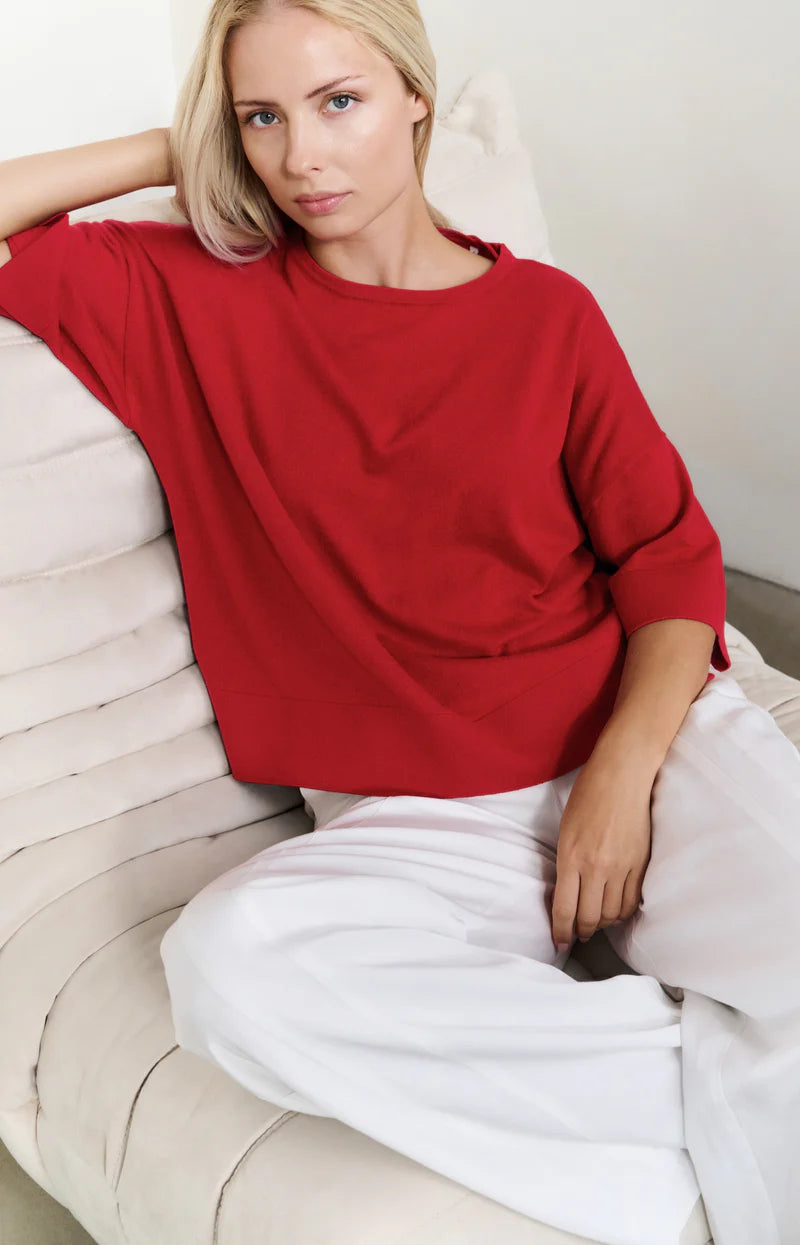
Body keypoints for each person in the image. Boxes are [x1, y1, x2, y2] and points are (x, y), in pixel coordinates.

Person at [0, 2, 798, 1243]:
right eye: (261, 118)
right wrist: (181, 144)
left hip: (638, 749)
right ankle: (743, 1099)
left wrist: (621, 773)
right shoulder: (180, 296)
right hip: (414, 824)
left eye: (339, 102)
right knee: (229, 972)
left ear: (414, 97)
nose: (302, 156)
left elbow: (664, 559)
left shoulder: (543, 316)